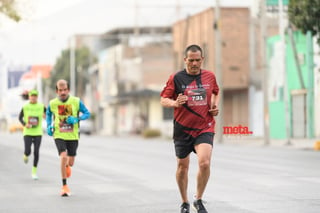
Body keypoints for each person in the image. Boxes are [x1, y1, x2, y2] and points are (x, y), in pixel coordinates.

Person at [160, 44, 219, 213]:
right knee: (182, 167)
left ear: (202, 60)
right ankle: (184, 201)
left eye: (197, 60)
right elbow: (163, 99)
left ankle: (198, 199)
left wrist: (214, 106)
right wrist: (174, 103)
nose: (194, 64)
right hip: (183, 129)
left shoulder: (210, 77)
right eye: (191, 60)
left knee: (205, 162)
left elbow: (215, 91)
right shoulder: (176, 78)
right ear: (185, 60)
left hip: (204, 126)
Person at [46, 79, 90, 196]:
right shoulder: (53, 103)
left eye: (65, 90)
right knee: (63, 157)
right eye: (60, 90)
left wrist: (77, 119)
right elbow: (49, 113)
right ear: (57, 91)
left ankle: (67, 166)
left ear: (68, 89)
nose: (63, 92)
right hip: (59, 134)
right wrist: (49, 125)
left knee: (70, 162)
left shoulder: (76, 101)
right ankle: (64, 186)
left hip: (73, 136)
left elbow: (87, 113)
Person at [18, 89, 46, 180]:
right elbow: (20, 117)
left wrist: (46, 116)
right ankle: (25, 155)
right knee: (28, 151)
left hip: (38, 132)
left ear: (37, 97)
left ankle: (34, 172)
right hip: (28, 132)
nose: (33, 97)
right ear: (29, 97)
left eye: (35, 96)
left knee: (36, 152)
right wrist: (25, 124)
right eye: (32, 96)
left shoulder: (41, 106)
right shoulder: (25, 106)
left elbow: (48, 114)